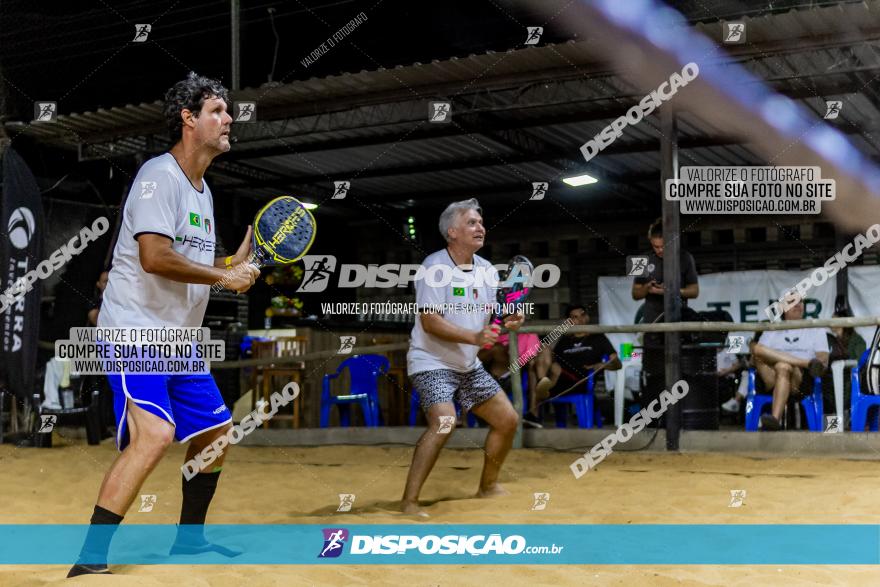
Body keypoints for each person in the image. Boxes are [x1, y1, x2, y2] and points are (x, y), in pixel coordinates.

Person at [68, 73, 260, 577]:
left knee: (217, 432)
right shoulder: (158, 176)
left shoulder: (202, 192)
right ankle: (90, 560)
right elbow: (155, 257)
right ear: (188, 119)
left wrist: (230, 261)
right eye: (218, 110)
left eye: (228, 111)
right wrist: (225, 275)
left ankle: (189, 543)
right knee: (154, 433)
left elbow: (191, 259)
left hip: (177, 338)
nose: (228, 119)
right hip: (136, 330)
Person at [401, 198, 521, 517]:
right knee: (444, 422)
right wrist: (474, 337)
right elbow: (430, 321)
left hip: (467, 365)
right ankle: (409, 501)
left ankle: (487, 486)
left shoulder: (487, 271)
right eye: (471, 222)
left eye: (481, 222)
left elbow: (493, 315)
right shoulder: (434, 267)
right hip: (432, 362)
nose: (480, 227)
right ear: (452, 232)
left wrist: (508, 320)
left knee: (507, 420)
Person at [631, 218, 699, 411]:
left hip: (677, 323)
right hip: (652, 325)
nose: (659, 250)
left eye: (662, 246)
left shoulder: (686, 258)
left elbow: (694, 291)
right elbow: (635, 294)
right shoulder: (642, 260)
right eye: (655, 247)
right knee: (654, 375)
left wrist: (672, 290)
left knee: (679, 373)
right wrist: (647, 288)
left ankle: (679, 417)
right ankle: (653, 418)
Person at [750, 293, 829, 431]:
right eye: (792, 302)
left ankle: (774, 420)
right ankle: (805, 362)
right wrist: (805, 362)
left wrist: (784, 361)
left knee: (783, 366)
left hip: (799, 381)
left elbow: (823, 362)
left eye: (800, 301)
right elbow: (755, 356)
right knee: (756, 349)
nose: (798, 304)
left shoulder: (815, 327)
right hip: (769, 378)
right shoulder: (773, 328)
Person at [533, 304, 621, 413]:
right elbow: (552, 361)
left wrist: (602, 365)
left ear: (587, 317)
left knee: (555, 369)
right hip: (561, 380)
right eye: (574, 317)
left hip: (582, 381)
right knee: (544, 349)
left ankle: (543, 389)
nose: (580, 320)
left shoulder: (598, 337)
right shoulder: (565, 341)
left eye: (582, 315)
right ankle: (542, 385)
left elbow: (617, 364)